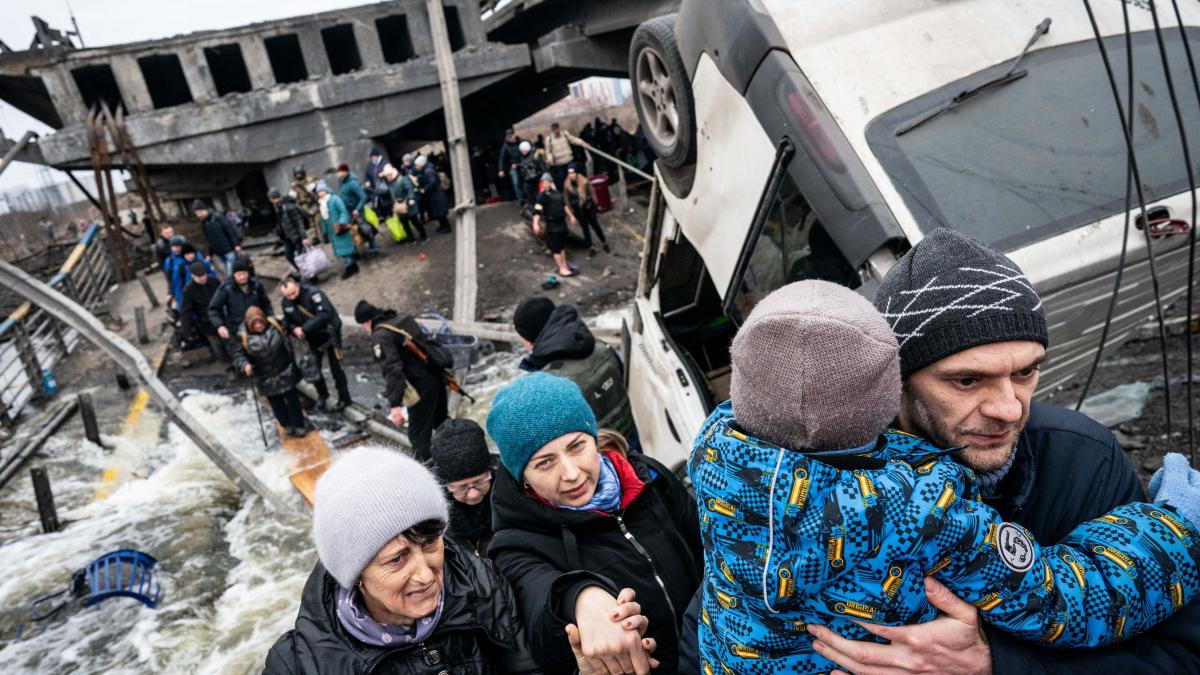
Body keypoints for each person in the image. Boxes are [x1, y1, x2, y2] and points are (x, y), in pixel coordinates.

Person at [679, 227, 1200, 674]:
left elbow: (1178, 655)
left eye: (1026, 371)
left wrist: (998, 663)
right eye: (967, 380)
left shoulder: (1081, 460)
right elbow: (1070, 597)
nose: (1010, 408)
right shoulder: (915, 507)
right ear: (894, 384)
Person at [487, 372, 701, 674]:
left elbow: (710, 550)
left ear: (594, 438)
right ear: (523, 479)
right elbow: (537, 602)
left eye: (577, 446)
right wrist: (580, 598)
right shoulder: (516, 545)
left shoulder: (649, 479)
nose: (571, 473)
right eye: (545, 462)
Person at [265, 446, 543, 674]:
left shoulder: (484, 584)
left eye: (430, 543)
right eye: (397, 559)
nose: (425, 575)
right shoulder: (298, 664)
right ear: (356, 573)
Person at [513, 296, 636, 443]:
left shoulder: (550, 383)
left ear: (529, 339)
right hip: (629, 439)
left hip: (602, 456)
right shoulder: (600, 346)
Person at [355, 301, 450, 462]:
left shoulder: (380, 336)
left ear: (367, 321)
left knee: (418, 436)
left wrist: (395, 405)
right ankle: (456, 458)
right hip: (436, 376)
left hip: (420, 387)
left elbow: (393, 370)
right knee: (442, 422)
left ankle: (431, 476)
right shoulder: (401, 319)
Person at [230, 305, 307, 437]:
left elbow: (288, 326)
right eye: (255, 324)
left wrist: (295, 329)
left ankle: (299, 425)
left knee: (293, 399)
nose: (259, 326)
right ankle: (286, 424)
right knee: (277, 403)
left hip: (285, 370)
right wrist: (245, 365)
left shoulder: (275, 324)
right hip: (265, 376)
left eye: (260, 322)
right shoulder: (242, 336)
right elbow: (238, 355)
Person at [279, 274, 351, 413]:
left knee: (336, 369)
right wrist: (293, 328)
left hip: (329, 333)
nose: (291, 297)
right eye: (287, 295)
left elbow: (325, 315)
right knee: (313, 367)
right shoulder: (286, 303)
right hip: (311, 338)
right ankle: (322, 395)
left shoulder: (314, 294)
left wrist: (304, 329)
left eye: (293, 293)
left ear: (298, 286)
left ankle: (344, 398)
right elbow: (287, 320)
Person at [430, 418, 496, 557]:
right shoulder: (430, 517)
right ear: (446, 485)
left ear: (489, 471)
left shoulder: (512, 493)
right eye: (461, 487)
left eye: (479, 482)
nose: (473, 494)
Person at [207, 255, 272, 346]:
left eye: (244, 274)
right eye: (239, 275)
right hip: (238, 329)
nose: (242, 277)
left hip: (258, 325)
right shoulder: (226, 288)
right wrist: (220, 325)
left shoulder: (256, 286)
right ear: (234, 275)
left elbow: (266, 303)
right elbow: (213, 309)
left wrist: (270, 316)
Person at [532, 173, 576, 277]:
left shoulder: (557, 193)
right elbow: (537, 212)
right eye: (544, 183)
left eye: (547, 182)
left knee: (562, 247)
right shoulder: (541, 197)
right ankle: (561, 268)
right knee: (556, 248)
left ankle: (565, 265)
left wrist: (571, 216)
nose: (545, 184)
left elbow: (564, 206)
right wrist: (535, 224)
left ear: (551, 183)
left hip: (562, 224)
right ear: (542, 184)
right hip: (552, 225)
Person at [179, 260, 222, 363]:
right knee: (218, 346)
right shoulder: (188, 291)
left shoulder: (214, 281)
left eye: (204, 275)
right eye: (199, 276)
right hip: (206, 322)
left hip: (222, 318)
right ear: (192, 276)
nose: (202, 278)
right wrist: (186, 330)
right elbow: (186, 312)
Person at [316, 180, 358, 279]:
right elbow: (324, 219)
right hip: (332, 231)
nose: (320, 193)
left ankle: (350, 267)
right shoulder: (322, 203)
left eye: (321, 191)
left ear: (326, 190)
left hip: (340, 229)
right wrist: (325, 232)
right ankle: (352, 265)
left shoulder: (334, 199)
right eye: (318, 192)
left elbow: (343, 211)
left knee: (345, 248)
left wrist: (341, 223)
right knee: (341, 249)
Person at [563, 163, 608, 255]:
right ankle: (591, 247)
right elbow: (566, 197)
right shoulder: (567, 184)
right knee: (585, 228)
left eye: (572, 173)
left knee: (595, 226)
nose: (571, 175)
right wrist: (570, 209)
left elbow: (592, 191)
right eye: (569, 173)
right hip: (578, 209)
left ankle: (604, 242)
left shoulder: (584, 181)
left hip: (588, 207)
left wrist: (596, 204)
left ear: (576, 173)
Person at [193, 199, 242, 278]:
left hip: (229, 250)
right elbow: (209, 240)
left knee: (230, 274)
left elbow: (229, 230)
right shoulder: (204, 223)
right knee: (228, 273)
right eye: (196, 213)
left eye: (199, 212)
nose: (198, 215)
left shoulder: (218, 217)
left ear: (204, 209)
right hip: (219, 253)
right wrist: (209, 254)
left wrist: (236, 244)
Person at [381, 163, 427, 243]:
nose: (387, 177)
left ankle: (424, 236)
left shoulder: (402, 179)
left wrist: (411, 198)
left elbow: (409, 189)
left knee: (415, 222)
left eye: (387, 175)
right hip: (399, 207)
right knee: (405, 224)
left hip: (408, 204)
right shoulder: (390, 183)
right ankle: (411, 238)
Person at [268, 187, 310, 272]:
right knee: (288, 255)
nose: (270, 200)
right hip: (287, 237)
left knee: (302, 256)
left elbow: (299, 223)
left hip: (296, 236)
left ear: (273, 198)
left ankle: (310, 276)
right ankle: (301, 271)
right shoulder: (278, 206)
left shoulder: (289, 206)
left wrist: (304, 237)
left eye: (270, 198)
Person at [170, 243, 216, 309]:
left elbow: (214, 277)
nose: (190, 256)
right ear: (183, 255)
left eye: (192, 253)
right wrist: (182, 304)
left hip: (209, 294)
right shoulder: (179, 269)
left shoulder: (204, 263)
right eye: (187, 254)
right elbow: (178, 288)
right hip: (192, 298)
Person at [545, 122, 589, 190]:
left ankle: (579, 189)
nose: (555, 131)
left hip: (569, 160)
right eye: (553, 130)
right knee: (564, 179)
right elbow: (548, 152)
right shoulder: (549, 139)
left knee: (573, 175)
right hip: (559, 163)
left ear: (558, 129)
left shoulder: (565, 134)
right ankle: (569, 193)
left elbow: (573, 140)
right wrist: (550, 158)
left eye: (556, 129)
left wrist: (582, 143)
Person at [414, 155, 451, 234]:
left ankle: (446, 226)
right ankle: (442, 225)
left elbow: (432, 182)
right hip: (434, 195)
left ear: (421, 164)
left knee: (440, 212)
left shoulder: (428, 170)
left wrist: (425, 189)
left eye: (417, 165)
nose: (416, 166)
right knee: (437, 212)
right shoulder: (426, 169)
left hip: (436, 195)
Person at [290, 166, 325, 244]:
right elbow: (292, 196)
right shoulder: (294, 185)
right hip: (304, 206)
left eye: (300, 173)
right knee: (310, 223)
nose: (298, 175)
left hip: (314, 203)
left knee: (319, 221)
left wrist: (316, 189)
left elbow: (322, 185)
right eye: (297, 174)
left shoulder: (311, 180)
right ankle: (314, 238)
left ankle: (324, 235)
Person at [498, 127, 526, 203]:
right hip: (513, 165)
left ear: (514, 135)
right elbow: (502, 158)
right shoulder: (506, 145)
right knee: (516, 182)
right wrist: (501, 169)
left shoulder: (521, 142)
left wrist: (521, 163)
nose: (510, 139)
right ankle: (520, 199)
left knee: (527, 181)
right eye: (508, 137)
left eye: (511, 137)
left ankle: (529, 196)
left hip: (524, 164)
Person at [518, 142, 547, 213]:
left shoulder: (535, 155)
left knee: (540, 196)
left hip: (537, 179)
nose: (522, 152)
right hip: (528, 181)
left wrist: (544, 178)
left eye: (523, 150)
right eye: (521, 151)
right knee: (531, 198)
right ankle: (537, 211)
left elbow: (543, 167)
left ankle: (542, 210)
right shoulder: (522, 158)